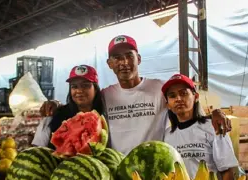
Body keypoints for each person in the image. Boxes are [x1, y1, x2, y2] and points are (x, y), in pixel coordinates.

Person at [40, 35, 231, 155]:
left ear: (138, 59)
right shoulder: (105, 95)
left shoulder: (159, 88)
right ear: (110, 64)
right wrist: (55, 103)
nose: (124, 62)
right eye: (117, 58)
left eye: (128, 56)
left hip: (153, 166)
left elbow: (185, 106)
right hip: (117, 169)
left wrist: (215, 113)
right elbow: (81, 105)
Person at [162, 74, 239, 180]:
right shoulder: (167, 136)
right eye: (172, 96)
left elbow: (227, 171)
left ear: (196, 97)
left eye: (184, 93)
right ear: (167, 104)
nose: (178, 99)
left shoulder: (213, 128)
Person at [32, 65, 104, 148]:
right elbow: (37, 149)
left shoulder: (106, 114)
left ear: (95, 89)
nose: (79, 91)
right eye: (74, 86)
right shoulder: (52, 117)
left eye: (85, 85)